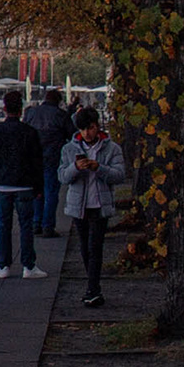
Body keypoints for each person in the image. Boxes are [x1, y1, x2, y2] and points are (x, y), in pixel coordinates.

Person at [59, 104, 126, 306]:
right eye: (83, 129)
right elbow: (62, 176)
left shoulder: (111, 148)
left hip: (100, 204)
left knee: (95, 246)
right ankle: (92, 283)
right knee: (85, 247)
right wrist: (75, 168)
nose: (87, 133)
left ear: (97, 127)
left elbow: (119, 175)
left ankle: (93, 289)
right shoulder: (69, 149)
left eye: (90, 128)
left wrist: (99, 168)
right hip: (79, 205)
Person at [0, 89, 45, 278]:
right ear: (22, 109)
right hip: (25, 184)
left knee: (4, 225)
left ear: (4, 109)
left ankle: (3, 265)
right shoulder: (30, 132)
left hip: (2, 184)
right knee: (26, 225)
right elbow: (37, 161)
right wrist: (39, 187)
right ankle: (28, 265)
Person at [30, 86, 71, 237]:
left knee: (36, 191)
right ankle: (48, 226)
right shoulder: (61, 115)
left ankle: (36, 223)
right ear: (58, 101)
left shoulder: (32, 113)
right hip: (53, 157)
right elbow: (71, 134)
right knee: (51, 191)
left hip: (34, 158)